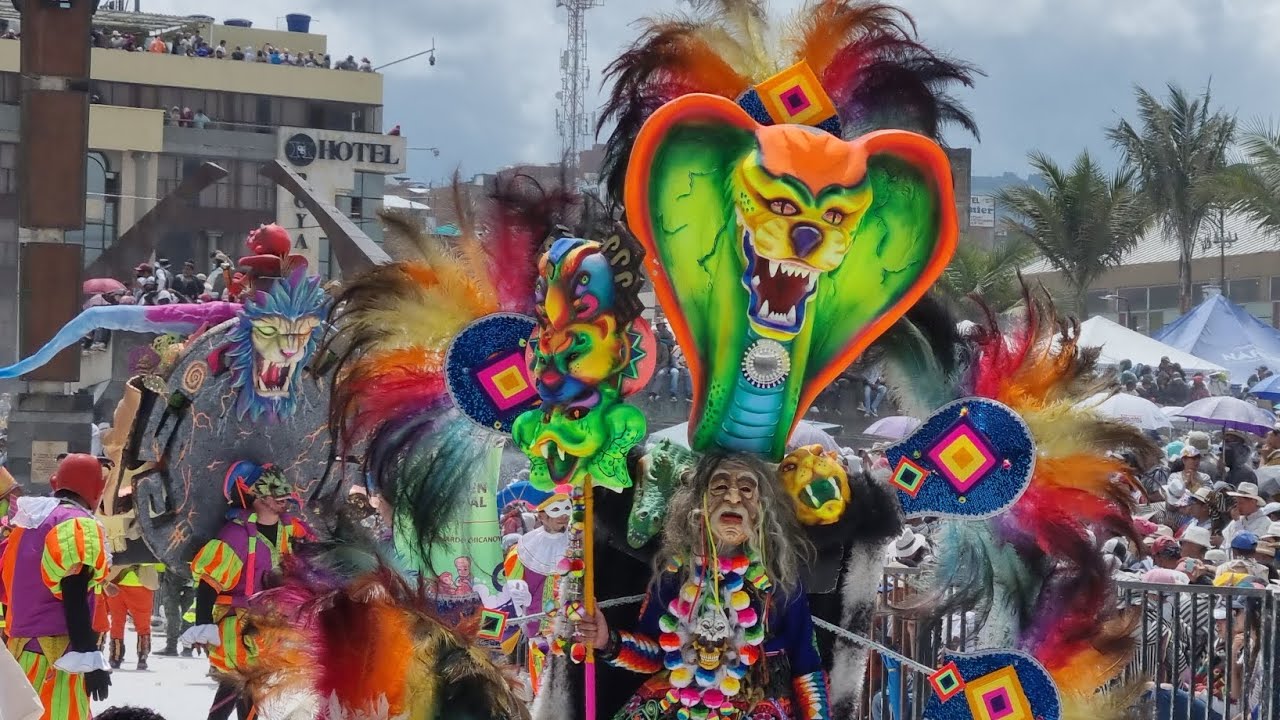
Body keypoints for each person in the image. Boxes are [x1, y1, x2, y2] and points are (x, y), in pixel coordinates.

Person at [579, 453, 830, 719]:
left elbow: (807, 667)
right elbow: (655, 653)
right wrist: (606, 641)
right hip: (677, 703)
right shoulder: (674, 574)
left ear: (762, 507)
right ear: (698, 504)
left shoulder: (781, 581)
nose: (733, 498)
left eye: (746, 489)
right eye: (720, 487)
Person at [180, 461, 309, 720]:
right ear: (259, 499)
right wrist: (203, 624)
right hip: (237, 623)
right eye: (277, 497)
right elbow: (210, 581)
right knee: (234, 684)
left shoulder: (288, 530)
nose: (284, 502)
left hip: (269, 622)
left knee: (251, 687)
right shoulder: (237, 535)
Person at [0, 454, 112, 719]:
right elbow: (74, 592)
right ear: (95, 489)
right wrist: (90, 656)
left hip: (21, 653)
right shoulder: (77, 524)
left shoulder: (27, 525)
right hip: (59, 659)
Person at [503, 489, 571, 683]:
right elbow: (509, 585)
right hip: (537, 627)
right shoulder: (524, 548)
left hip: (571, 627)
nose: (564, 515)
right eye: (556, 509)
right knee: (541, 679)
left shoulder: (578, 545)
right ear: (542, 515)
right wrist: (516, 590)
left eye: (567, 508)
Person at [103, 561, 159, 671]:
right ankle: (116, 656)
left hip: (141, 584)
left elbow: (152, 558)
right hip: (117, 583)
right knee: (117, 622)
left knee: (142, 624)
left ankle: (140, 657)